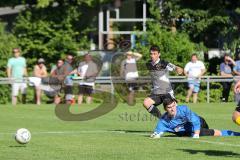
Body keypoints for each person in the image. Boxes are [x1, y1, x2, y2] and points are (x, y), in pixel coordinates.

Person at [151, 97, 240, 138]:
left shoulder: (183, 109)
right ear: (165, 109)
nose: (172, 109)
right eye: (169, 107)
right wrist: (156, 134)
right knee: (210, 134)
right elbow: (158, 132)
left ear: (175, 104)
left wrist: (196, 133)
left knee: (216, 133)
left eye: (173, 106)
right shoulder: (164, 120)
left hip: (198, 123)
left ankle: (237, 134)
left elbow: (195, 121)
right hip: (187, 133)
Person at [143, 45, 183, 118]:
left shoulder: (164, 63)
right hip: (157, 92)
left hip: (166, 92)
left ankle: (184, 124)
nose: (152, 56)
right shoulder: (148, 64)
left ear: (159, 54)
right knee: (146, 103)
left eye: (154, 54)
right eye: (151, 54)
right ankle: (162, 119)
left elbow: (174, 67)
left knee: (174, 113)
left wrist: (178, 69)